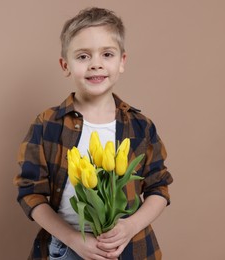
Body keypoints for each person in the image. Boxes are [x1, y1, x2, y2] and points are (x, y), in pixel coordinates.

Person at [14, 7, 173, 260]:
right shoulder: (47, 124)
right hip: (67, 247)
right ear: (65, 65)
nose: (96, 64)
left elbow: (159, 188)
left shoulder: (141, 127)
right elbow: (30, 193)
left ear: (122, 62)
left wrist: (129, 227)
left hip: (129, 247)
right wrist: (73, 239)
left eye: (107, 54)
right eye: (83, 56)